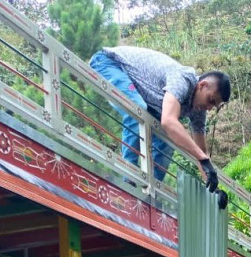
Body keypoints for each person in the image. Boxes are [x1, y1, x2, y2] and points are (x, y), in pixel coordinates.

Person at [89, 46, 231, 188]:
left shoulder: (198, 109)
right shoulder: (183, 79)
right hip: (109, 63)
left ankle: (151, 189)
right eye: (211, 100)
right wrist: (202, 158)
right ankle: (129, 177)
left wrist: (214, 186)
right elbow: (168, 121)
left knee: (167, 139)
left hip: (140, 91)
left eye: (214, 106)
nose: (209, 107)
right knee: (138, 109)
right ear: (203, 85)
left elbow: (201, 152)